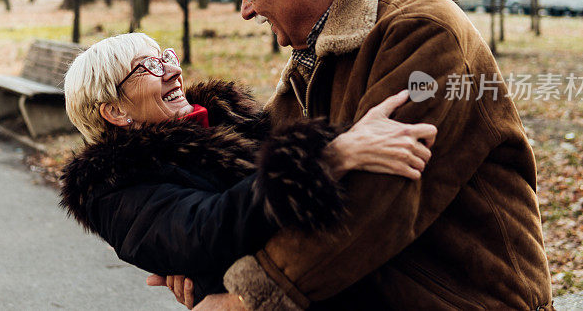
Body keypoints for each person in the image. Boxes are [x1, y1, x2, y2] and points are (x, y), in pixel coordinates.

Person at [164, 0, 552, 310]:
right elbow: (263, 179)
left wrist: (246, 298)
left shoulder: (421, 30)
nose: (245, 9)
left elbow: (375, 201)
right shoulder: (312, 60)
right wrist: (196, 258)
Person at [58, 32, 437, 307]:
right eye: (149, 67)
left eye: (166, 56)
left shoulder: (227, 124)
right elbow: (207, 229)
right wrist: (331, 158)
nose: (174, 71)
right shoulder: (110, 188)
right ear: (116, 111)